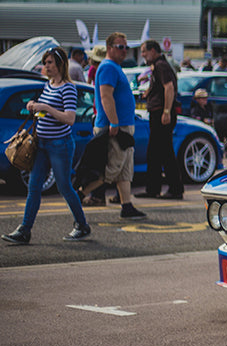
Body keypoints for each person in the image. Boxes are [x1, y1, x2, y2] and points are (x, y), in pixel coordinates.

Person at [2, 48, 91, 244]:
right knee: (34, 187)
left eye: (50, 62)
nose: (46, 66)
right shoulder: (49, 85)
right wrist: (34, 107)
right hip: (41, 144)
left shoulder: (68, 87)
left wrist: (46, 108)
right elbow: (45, 113)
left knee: (64, 186)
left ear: (59, 65)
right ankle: (24, 230)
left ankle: (82, 225)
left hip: (60, 145)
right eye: (45, 62)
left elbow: (69, 119)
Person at [80, 32, 145, 220]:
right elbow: (105, 96)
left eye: (126, 47)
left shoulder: (114, 67)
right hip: (114, 127)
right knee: (111, 169)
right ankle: (79, 195)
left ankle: (127, 206)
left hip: (123, 126)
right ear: (109, 48)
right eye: (120, 47)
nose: (124, 51)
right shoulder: (108, 67)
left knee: (125, 169)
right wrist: (114, 121)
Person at [137, 40, 183, 200]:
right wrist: (148, 92)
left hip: (161, 114)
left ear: (153, 51)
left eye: (144, 51)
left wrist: (166, 111)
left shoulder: (161, 65)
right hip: (157, 113)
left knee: (165, 152)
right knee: (155, 153)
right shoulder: (156, 66)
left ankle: (175, 189)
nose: (143, 55)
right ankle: (153, 189)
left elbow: (169, 87)